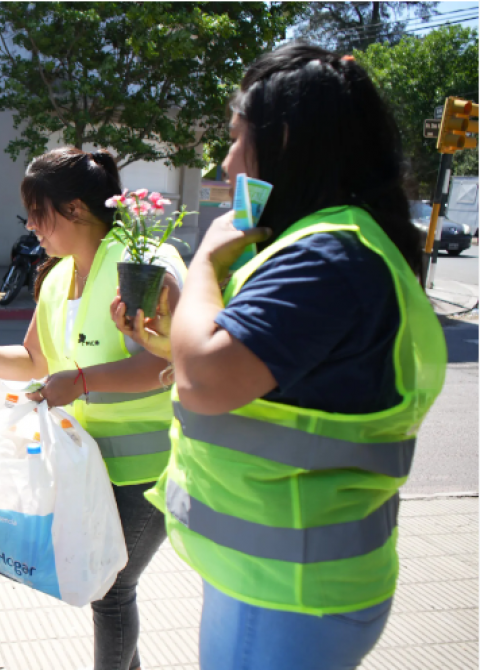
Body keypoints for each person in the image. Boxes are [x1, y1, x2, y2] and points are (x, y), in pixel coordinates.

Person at [113, 45, 447, 670]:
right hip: (289, 581)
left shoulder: (325, 254)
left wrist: (208, 260)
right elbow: (270, 381)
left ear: (284, 137)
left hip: (287, 593)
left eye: (237, 139)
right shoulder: (335, 242)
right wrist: (173, 339)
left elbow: (205, 379)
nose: (227, 159)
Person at [0, 147, 187, 670]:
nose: (30, 225)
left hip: (147, 470)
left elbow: (172, 360)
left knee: (112, 589)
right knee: (107, 588)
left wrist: (83, 382)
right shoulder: (56, 277)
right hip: (89, 467)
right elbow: (32, 359)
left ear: (74, 208)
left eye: (36, 211)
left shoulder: (141, 262)